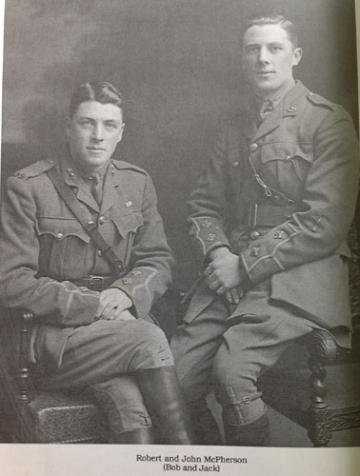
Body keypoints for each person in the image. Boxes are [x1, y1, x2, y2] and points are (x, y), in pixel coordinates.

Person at [171, 14, 359, 446]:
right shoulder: (234, 128)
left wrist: (245, 266)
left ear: (295, 56)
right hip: (234, 267)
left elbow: (325, 222)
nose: (263, 59)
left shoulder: (328, 121)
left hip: (303, 274)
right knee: (174, 377)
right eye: (252, 49)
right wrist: (220, 256)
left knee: (231, 374)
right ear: (242, 59)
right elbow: (203, 206)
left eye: (274, 48)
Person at [0, 81, 193, 444]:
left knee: (130, 402)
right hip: (52, 339)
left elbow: (158, 258)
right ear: (68, 127)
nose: (97, 136)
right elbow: (11, 282)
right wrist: (95, 306)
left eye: (108, 125)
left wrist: (127, 294)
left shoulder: (136, 183)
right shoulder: (29, 187)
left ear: (121, 133)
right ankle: (189, 453)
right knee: (150, 339)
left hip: (117, 332)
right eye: (87, 123)